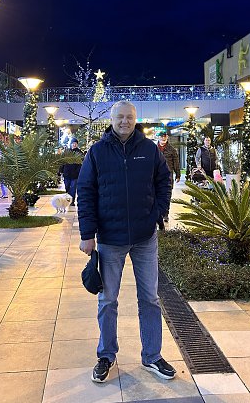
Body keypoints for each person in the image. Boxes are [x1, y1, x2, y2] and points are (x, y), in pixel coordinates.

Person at [77, 101, 176, 383]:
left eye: (129, 117)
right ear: (111, 119)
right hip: (110, 238)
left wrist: (158, 212)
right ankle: (106, 355)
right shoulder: (97, 152)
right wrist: (87, 234)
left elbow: (164, 181)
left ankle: (152, 355)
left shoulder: (149, 149)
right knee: (108, 300)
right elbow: (85, 191)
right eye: (120, 117)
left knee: (150, 299)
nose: (125, 121)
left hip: (145, 237)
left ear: (135, 119)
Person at [156, 131, 180, 222]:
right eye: (161, 136)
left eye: (165, 136)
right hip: (156, 175)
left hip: (168, 176)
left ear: (167, 137)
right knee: (156, 194)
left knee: (167, 195)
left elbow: (176, 163)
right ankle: (157, 213)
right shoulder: (153, 148)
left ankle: (165, 214)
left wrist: (178, 174)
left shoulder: (172, 149)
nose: (163, 138)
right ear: (158, 137)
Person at [60, 139, 84, 205]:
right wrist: (61, 171)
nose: (74, 144)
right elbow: (62, 162)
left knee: (73, 188)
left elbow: (82, 163)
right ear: (71, 144)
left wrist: (78, 172)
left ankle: (72, 201)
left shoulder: (80, 152)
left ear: (77, 144)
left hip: (75, 175)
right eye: (73, 143)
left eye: (75, 143)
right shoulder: (67, 152)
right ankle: (68, 199)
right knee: (67, 187)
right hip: (66, 173)